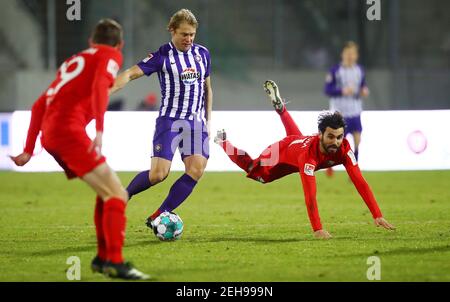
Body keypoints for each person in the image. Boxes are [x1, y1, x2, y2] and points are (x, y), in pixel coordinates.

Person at [9, 19, 149, 280]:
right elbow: (100, 88)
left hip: (52, 135)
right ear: (120, 44)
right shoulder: (110, 55)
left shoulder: (74, 61)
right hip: (68, 133)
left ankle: (102, 258)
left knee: (107, 193)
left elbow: (40, 103)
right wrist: (99, 130)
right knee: (117, 194)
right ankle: (114, 262)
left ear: (90, 42)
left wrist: (29, 149)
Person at [215, 80, 395, 239]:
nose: (336, 142)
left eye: (339, 137)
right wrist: (317, 229)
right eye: (331, 136)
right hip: (281, 152)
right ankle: (223, 142)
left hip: (297, 142)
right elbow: (310, 195)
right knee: (254, 169)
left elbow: (360, 182)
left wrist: (377, 214)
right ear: (320, 134)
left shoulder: (345, 148)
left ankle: (281, 109)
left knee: (295, 137)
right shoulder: (308, 158)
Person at [109, 9, 213, 229]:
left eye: (192, 34)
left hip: (195, 123)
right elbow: (129, 74)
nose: (189, 39)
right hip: (170, 121)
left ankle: (160, 214)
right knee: (158, 174)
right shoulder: (161, 56)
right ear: (172, 31)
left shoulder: (202, 54)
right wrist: (106, 90)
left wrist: (208, 120)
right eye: (184, 34)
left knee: (196, 170)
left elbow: (207, 89)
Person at [324, 41, 369, 177]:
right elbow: (327, 90)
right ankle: (329, 164)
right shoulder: (335, 71)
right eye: (348, 53)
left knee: (357, 140)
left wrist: (364, 90)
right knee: (336, 142)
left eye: (353, 53)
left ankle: (353, 170)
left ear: (356, 55)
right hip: (340, 112)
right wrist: (342, 91)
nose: (350, 56)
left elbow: (362, 86)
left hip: (355, 111)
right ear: (343, 54)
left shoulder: (359, 70)